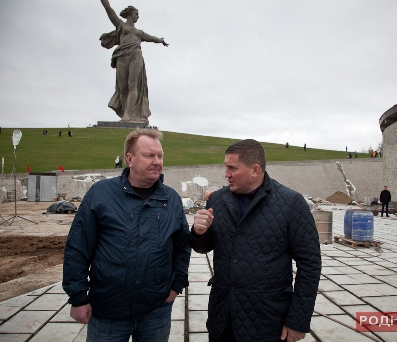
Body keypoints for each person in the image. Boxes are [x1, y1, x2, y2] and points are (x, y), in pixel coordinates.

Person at [62, 128, 191, 341]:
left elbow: (181, 247)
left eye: (160, 156)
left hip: (156, 311)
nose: (157, 161)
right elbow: (78, 246)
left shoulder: (172, 199)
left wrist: (176, 286)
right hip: (108, 312)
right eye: (149, 155)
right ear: (129, 159)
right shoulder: (101, 194)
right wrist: (78, 298)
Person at [190, 139, 321, 342]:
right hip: (222, 319)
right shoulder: (217, 200)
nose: (226, 173)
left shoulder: (291, 203)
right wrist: (199, 233)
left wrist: (298, 320)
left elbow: (310, 264)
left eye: (232, 168)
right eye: (226, 166)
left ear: (255, 170)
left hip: (267, 323)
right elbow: (203, 247)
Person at [100, 0, 168, 125]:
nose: (138, 16)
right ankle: (126, 111)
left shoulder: (139, 33)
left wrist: (160, 40)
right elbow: (109, 11)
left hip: (135, 56)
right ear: (130, 14)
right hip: (122, 56)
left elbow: (151, 38)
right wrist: (104, 2)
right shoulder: (121, 26)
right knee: (123, 87)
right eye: (136, 13)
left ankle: (129, 114)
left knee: (133, 86)